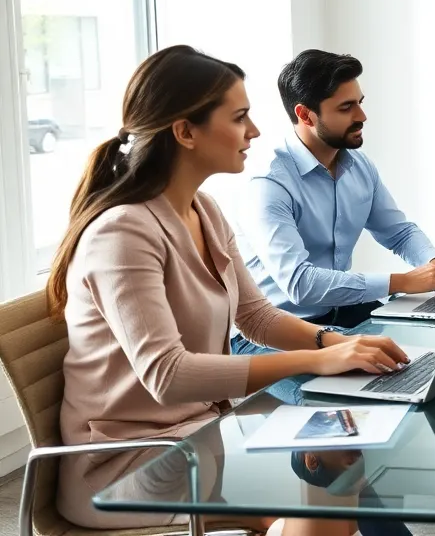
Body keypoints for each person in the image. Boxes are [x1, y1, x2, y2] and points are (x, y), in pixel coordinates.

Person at [49, 45, 409, 533]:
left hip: (202, 434)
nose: (254, 131)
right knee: (329, 494)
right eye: (239, 118)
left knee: (343, 465)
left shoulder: (204, 209)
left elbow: (256, 316)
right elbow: (168, 376)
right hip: (131, 465)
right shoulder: (123, 233)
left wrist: (338, 343)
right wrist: (317, 359)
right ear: (185, 132)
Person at [234, 49, 435, 348]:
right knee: (379, 369)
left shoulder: (359, 165)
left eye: (360, 103)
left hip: (340, 314)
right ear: (305, 114)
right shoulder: (269, 185)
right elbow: (300, 285)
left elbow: (399, 232)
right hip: (275, 333)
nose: (362, 116)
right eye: (346, 107)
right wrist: (404, 281)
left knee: (434, 346)